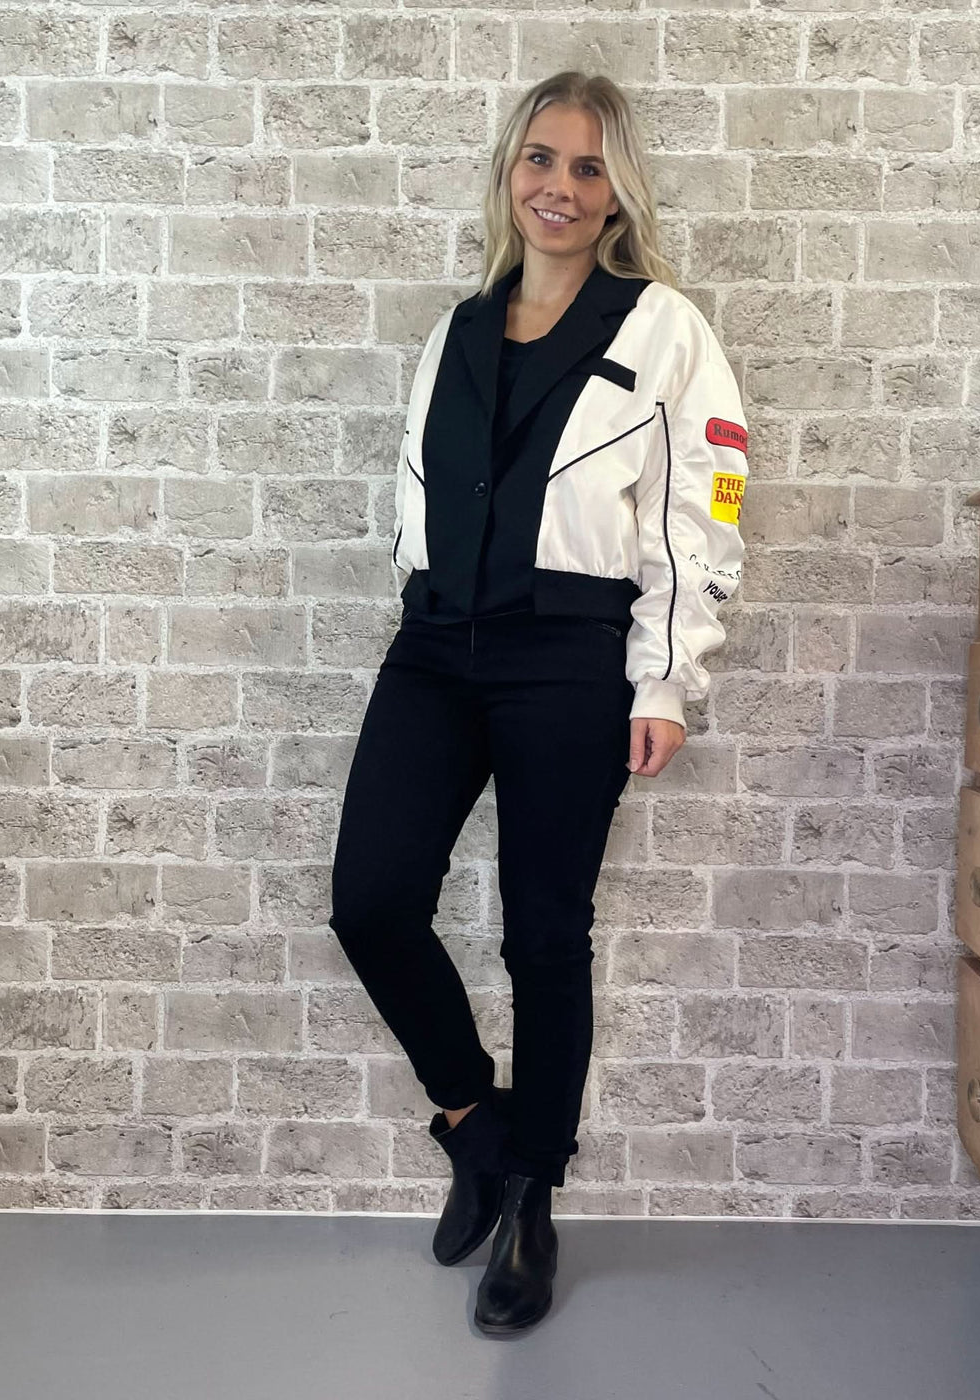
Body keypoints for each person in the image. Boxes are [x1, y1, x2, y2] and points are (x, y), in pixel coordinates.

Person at [327, 69, 748, 1337]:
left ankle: (532, 1199)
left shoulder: (661, 328)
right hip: (434, 646)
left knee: (544, 933)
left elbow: (702, 508)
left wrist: (667, 674)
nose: (558, 187)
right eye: (540, 159)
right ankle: (476, 1124)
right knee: (370, 899)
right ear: (510, 170)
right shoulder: (458, 328)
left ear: (617, 190)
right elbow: (414, 485)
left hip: (569, 650)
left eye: (587, 166)